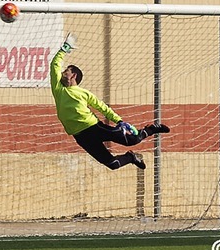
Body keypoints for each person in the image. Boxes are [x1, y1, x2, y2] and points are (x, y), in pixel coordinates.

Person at [50, 33, 170, 170]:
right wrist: (64, 49)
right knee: (112, 164)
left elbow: (102, 107)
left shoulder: (84, 93)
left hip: (94, 128)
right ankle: (131, 158)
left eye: (66, 71)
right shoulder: (58, 89)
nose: (62, 73)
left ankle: (151, 129)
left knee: (133, 140)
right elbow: (54, 65)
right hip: (81, 137)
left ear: (73, 75)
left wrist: (119, 121)